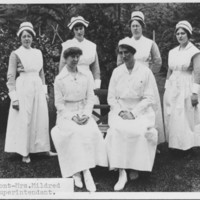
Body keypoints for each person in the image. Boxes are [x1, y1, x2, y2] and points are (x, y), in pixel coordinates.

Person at [51, 46, 107, 192]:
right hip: (66, 116)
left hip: (83, 112)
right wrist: (73, 117)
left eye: (77, 56)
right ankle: (82, 172)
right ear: (65, 58)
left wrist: (86, 114)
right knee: (75, 132)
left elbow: (90, 99)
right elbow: (59, 104)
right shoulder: (59, 79)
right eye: (72, 57)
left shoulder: (85, 76)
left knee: (91, 129)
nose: (75, 60)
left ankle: (81, 170)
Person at [105, 37, 158, 191]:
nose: (123, 55)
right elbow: (111, 98)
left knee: (138, 131)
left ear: (133, 53)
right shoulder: (116, 72)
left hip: (140, 111)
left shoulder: (145, 71)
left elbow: (149, 97)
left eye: (126, 52)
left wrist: (134, 113)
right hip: (119, 110)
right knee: (117, 131)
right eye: (121, 53)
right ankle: (121, 171)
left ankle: (134, 166)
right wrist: (121, 111)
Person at [4, 22, 56, 163]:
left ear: (32, 38)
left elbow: (42, 73)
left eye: (29, 36)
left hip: (37, 87)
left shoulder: (38, 53)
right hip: (23, 87)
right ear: (20, 38)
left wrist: (45, 91)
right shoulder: (16, 54)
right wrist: (14, 97)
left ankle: (43, 149)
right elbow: (10, 77)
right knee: (25, 119)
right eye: (24, 36)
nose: (26, 39)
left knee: (41, 118)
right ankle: (24, 152)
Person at [117, 11, 165, 145]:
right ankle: (131, 139)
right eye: (133, 26)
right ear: (130, 27)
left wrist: (148, 74)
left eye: (138, 25)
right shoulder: (125, 42)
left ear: (142, 27)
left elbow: (158, 61)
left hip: (146, 78)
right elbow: (119, 62)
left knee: (149, 106)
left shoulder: (150, 43)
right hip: (128, 78)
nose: (135, 28)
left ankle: (151, 140)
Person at [164, 20, 200, 154]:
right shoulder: (172, 52)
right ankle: (175, 143)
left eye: (183, 33)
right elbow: (169, 70)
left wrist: (195, 92)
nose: (180, 36)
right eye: (178, 33)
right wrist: (167, 88)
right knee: (173, 113)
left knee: (185, 115)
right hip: (173, 84)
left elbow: (198, 72)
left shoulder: (194, 51)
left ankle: (187, 146)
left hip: (187, 84)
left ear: (188, 34)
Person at [59, 16, 101, 89]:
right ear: (73, 31)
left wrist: (97, 84)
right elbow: (62, 66)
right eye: (76, 29)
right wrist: (62, 83)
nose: (79, 31)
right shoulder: (67, 45)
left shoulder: (91, 45)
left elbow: (95, 67)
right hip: (72, 78)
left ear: (84, 28)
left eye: (81, 28)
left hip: (88, 80)